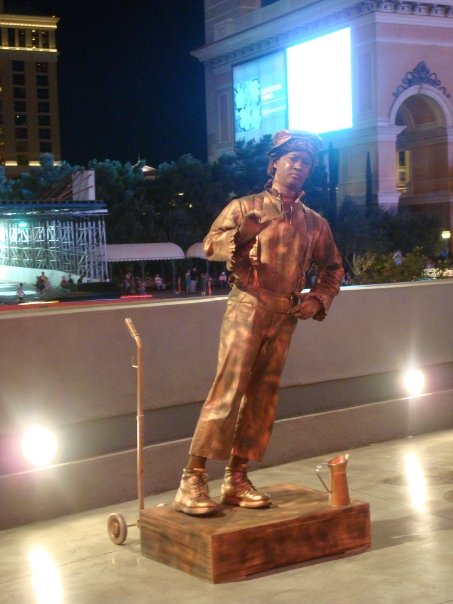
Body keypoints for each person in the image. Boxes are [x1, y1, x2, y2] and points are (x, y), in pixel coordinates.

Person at [173, 130, 344, 516]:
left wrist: (317, 298)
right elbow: (209, 245)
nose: (299, 166)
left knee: (263, 397)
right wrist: (240, 236)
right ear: (274, 163)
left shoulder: (314, 222)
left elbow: (333, 268)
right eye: (292, 159)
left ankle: (236, 478)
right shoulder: (245, 206)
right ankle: (192, 478)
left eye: (306, 162)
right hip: (247, 307)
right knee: (228, 388)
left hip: (284, 317)